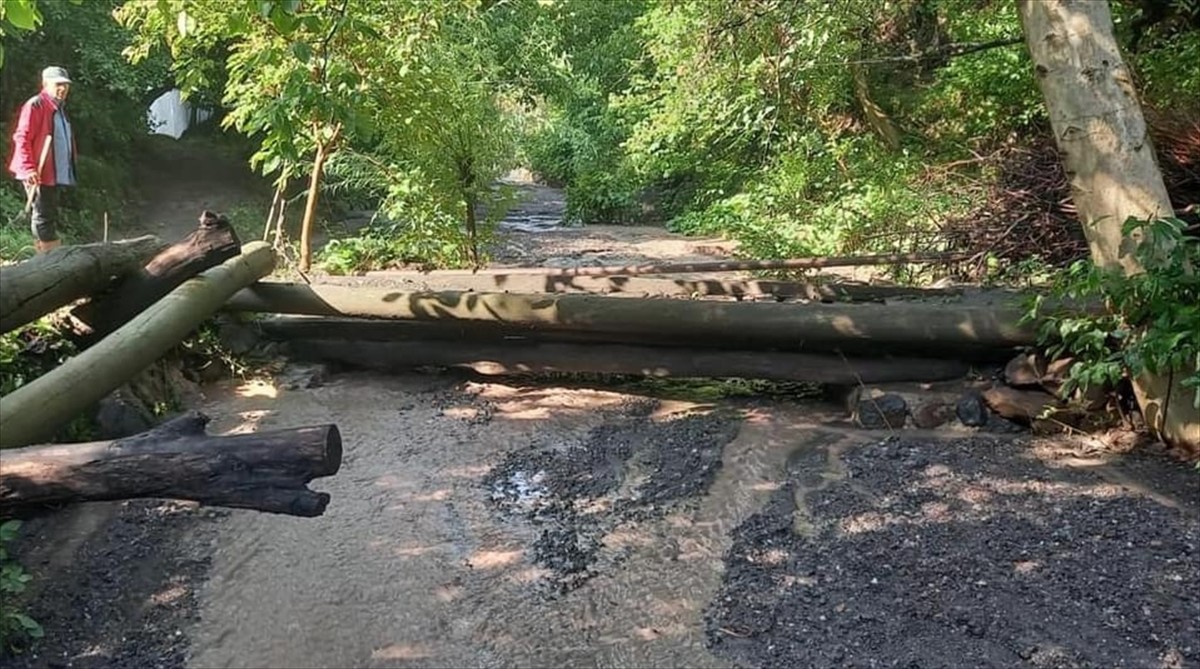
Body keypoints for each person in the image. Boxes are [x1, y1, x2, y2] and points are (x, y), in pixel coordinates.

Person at [7, 66, 78, 254]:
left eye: (65, 85)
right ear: (46, 84)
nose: (62, 89)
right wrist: (29, 168)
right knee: (44, 216)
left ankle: (45, 256)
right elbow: (22, 137)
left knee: (48, 213)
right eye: (58, 84)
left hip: (53, 173)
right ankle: (51, 259)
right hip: (38, 172)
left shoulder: (59, 109)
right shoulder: (36, 105)